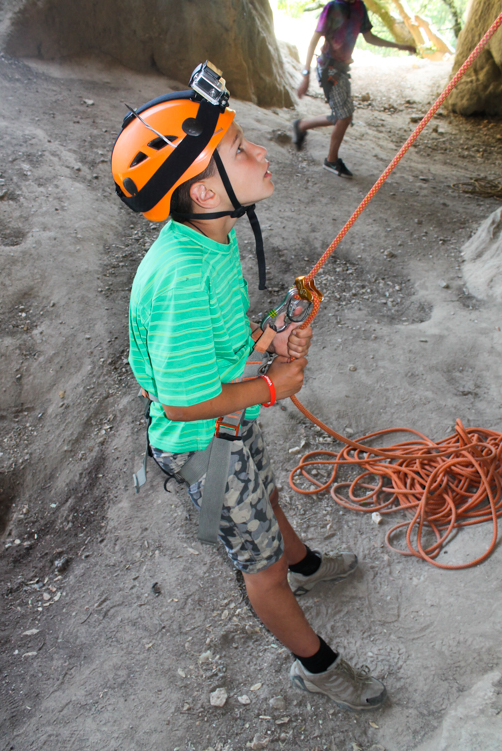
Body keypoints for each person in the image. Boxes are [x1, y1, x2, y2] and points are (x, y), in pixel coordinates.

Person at [111, 62, 386, 711]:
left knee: (259, 493)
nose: (259, 150)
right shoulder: (180, 275)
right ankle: (315, 666)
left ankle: (307, 567)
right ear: (204, 193)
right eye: (239, 149)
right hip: (203, 441)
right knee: (255, 561)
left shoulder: (209, 237)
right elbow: (181, 401)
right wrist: (271, 387)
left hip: (226, 428)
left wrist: (267, 340)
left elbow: (215, 350)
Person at [294, 0, 416, 177]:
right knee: (344, 115)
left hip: (341, 69)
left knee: (341, 115)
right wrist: (305, 74)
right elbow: (313, 41)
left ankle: (301, 125)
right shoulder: (332, 8)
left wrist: (400, 46)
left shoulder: (360, 8)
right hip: (328, 67)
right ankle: (331, 161)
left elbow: (369, 38)